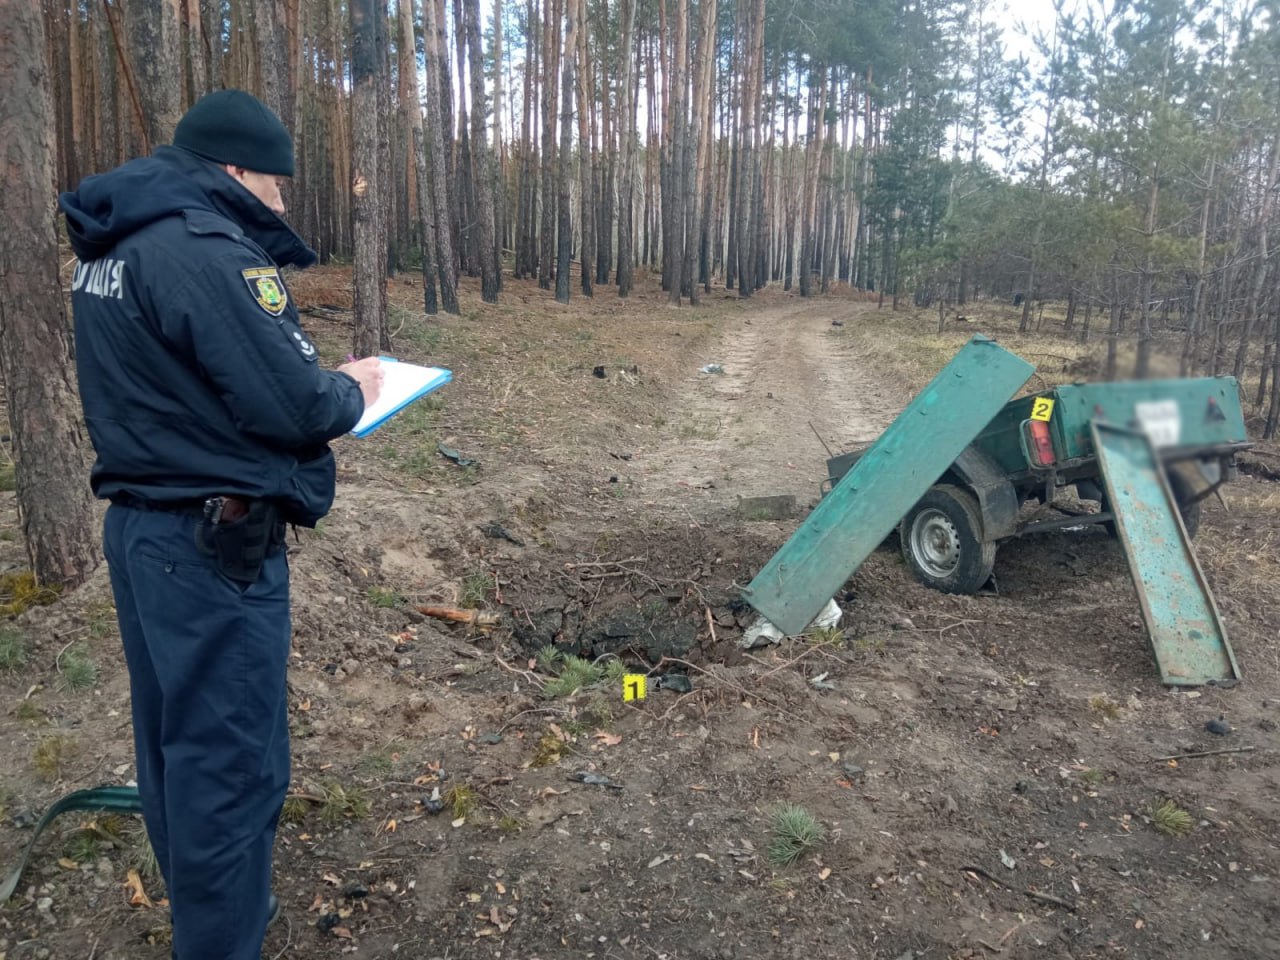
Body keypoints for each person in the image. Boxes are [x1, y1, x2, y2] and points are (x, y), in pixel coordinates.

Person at [59, 89, 383, 959]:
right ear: (237, 170)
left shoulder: (118, 239)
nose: (282, 204)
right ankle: (219, 940)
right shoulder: (201, 246)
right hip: (210, 548)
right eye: (277, 186)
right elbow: (295, 402)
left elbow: (188, 380)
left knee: (175, 746)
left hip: (145, 531)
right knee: (230, 765)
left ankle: (219, 913)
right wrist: (361, 389)